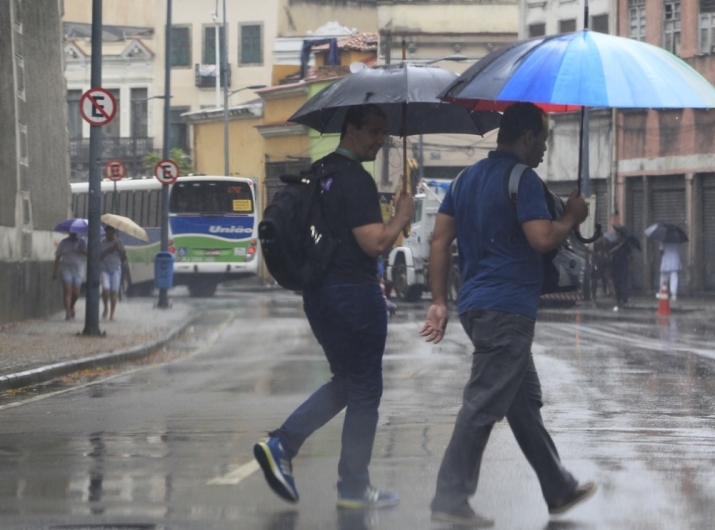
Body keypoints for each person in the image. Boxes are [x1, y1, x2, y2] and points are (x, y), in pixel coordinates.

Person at [420, 103, 597, 528]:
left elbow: (440, 242)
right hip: (508, 309)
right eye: (543, 141)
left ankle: (558, 487)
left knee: (521, 404)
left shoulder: (464, 179)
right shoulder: (524, 179)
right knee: (483, 404)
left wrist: (440, 300)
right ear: (527, 138)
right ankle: (450, 497)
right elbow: (540, 238)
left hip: (476, 304)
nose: (543, 151)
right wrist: (571, 218)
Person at [253, 104, 415, 509]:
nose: (381, 141)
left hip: (320, 295)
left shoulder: (319, 172)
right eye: (375, 132)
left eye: (385, 133)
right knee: (365, 390)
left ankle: (283, 445)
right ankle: (353, 487)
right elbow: (375, 242)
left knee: (346, 381)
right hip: (354, 295)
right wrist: (400, 216)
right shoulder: (354, 179)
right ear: (352, 130)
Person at [53, 232, 86, 320]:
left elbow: (88, 254)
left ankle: (71, 305)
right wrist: (55, 271)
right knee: (67, 289)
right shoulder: (64, 242)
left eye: (75, 233)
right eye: (71, 233)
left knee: (76, 292)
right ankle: (68, 312)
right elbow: (58, 256)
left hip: (78, 269)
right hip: (66, 268)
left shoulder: (82, 242)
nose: (73, 235)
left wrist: (82, 249)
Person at [99, 226, 126, 320]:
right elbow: (100, 255)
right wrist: (110, 248)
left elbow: (123, 255)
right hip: (104, 268)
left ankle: (112, 313)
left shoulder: (118, 242)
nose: (109, 236)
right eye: (107, 234)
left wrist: (117, 249)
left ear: (114, 234)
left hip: (115, 268)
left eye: (111, 234)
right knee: (105, 289)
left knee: (114, 291)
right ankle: (106, 307)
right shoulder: (102, 242)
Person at [609, 229, 632, 311]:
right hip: (615, 266)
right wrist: (615, 249)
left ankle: (624, 299)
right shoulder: (613, 244)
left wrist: (632, 266)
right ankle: (618, 300)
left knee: (623, 283)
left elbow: (630, 256)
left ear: (621, 236)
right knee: (617, 283)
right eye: (616, 235)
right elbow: (608, 253)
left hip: (624, 266)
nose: (617, 236)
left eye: (618, 235)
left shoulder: (626, 244)